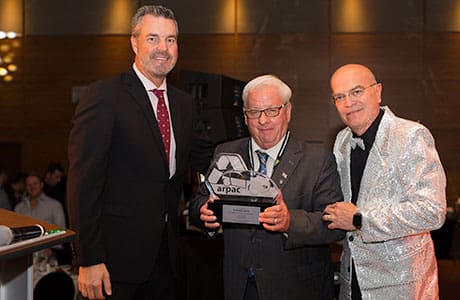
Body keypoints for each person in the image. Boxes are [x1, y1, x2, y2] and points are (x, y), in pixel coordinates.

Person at [67, 5, 213, 300]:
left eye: (171, 40)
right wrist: (89, 258)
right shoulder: (104, 97)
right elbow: (83, 183)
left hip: (167, 260)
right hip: (112, 265)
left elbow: (207, 158)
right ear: (134, 43)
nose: (163, 48)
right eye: (153, 38)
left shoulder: (184, 104)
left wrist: (259, 161)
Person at [189, 74, 345, 300]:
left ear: (288, 111)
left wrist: (290, 221)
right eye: (254, 112)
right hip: (239, 287)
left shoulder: (317, 160)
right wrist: (203, 215)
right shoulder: (226, 153)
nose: (263, 120)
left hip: (296, 289)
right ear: (244, 117)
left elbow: (334, 224)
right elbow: (197, 204)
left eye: (272, 110)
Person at [323, 64, 447, 299]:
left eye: (356, 92)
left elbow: (433, 211)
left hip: (401, 283)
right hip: (353, 279)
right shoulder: (341, 140)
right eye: (340, 97)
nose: (348, 103)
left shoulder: (411, 135)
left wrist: (360, 219)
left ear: (378, 91)